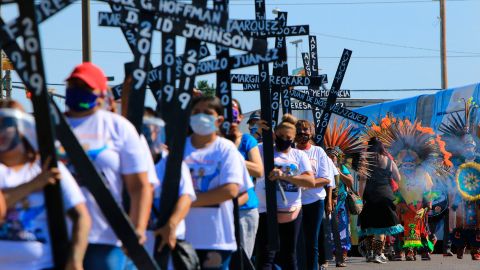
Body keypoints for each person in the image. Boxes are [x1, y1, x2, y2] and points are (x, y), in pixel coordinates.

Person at [62, 62, 154, 269]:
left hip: (106, 237)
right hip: (57, 235)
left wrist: (137, 228)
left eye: (85, 87)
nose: (78, 91)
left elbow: (140, 185)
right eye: (73, 86)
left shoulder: (118, 128)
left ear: (102, 94)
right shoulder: (52, 126)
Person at [0, 100, 91, 270]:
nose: (2, 132)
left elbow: (81, 217)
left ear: (22, 128)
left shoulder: (48, 166)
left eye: (7, 124)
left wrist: (75, 260)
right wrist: (35, 184)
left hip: (43, 265)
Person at [183, 96, 248, 269]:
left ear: (219, 120)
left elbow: (230, 190)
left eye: (207, 113)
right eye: (196, 112)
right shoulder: (179, 148)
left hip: (216, 239)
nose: (200, 116)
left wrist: (186, 201)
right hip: (182, 237)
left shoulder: (226, 149)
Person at [255, 114, 315, 270]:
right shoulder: (263, 149)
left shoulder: (298, 155)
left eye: (288, 137)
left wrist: (286, 176)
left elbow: (310, 181)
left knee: (289, 255)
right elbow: (244, 150)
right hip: (266, 211)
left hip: (291, 211)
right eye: (280, 136)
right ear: (274, 134)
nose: (283, 139)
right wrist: (257, 131)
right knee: (266, 256)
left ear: (293, 138)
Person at [222, 99, 263, 259]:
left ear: (239, 117)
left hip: (244, 208)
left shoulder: (247, 141)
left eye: (233, 112)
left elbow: (258, 170)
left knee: (242, 259)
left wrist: (233, 155)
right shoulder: (212, 140)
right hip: (217, 207)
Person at [359, 137, 403, 264]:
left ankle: (369, 254)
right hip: (386, 196)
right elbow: (398, 178)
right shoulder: (389, 161)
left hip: (370, 197)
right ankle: (378, 254)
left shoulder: (365, 162)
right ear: (382, 148)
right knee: (382, 226)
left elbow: (362, 181)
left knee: (369, 225)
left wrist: (360, 199)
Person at [295, 120, 330, 270]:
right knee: (296, 242)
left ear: (311, 132)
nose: (303, 133)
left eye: (306, 130)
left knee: (311, 242)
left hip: (315, 202)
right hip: (294, 203)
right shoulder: (290, 151)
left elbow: (325, 178)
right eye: (299, 130)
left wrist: (304, 183)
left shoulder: (318, 151)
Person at [326, 147, 354, 267]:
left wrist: (339, 172)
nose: (331, 158)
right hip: (327, 202)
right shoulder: (324, 167)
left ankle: (342, 252)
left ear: (338, 158)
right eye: (329, 156)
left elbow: (350, 182)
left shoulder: (342, 168)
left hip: (341, 203)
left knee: (342, 227)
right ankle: (329, 253)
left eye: (333, 156)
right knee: (327, 228)